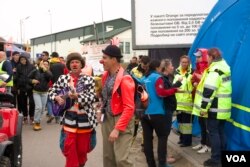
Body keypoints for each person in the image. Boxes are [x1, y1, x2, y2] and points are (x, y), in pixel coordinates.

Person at [49, 52, 97, 167]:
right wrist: (56, 97)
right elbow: (51, 91)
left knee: (82, 150)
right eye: (72, 62)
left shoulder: (89, 79)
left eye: (77, 62)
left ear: (81, 65)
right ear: (69, 65)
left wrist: (78, 97)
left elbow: (92, 97)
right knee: (69, 148)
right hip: (68, 119)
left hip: (85, 119)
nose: (74, 64)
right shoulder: (63, 78)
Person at [193, 48, 232, 167]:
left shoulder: (215, 70)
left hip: (215, 108)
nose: (206, 59)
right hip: (223, 107)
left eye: (207, 57)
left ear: (211, 57)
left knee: (213, 133)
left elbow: (209, 91)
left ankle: (215, 160)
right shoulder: (225, 67)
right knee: (220, 132)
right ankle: (221, 157)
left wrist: (203, 109)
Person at [99, 45, 135, 167]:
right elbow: (106, 97)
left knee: (121, 160)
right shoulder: (105, 76)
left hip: (122, 119)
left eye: (104, 58)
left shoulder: (126, 79)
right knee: (108, 158)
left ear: (114, 59)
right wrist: (101, 109)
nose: (102, 60)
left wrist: (117, 128)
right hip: (108, 118)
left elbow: (129, 107)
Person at [141, 59, 178, 167]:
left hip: (145, 113)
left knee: (147, 140)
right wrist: (175, 90)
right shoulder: (157, 77)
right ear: (158, 68)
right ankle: (162, 163)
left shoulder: (145, 78)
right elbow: (161, 93)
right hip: (156, 112)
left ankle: (151, 164)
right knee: (162, 137)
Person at [160, 59, 182, 164]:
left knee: (164, 135)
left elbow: (168, 90)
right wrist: (177, 85)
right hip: (166, 110)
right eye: (171, 66)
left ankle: (164, 156)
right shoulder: (163, 79)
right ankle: (164, 159)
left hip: (167, 109)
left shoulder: (165, 78)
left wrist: (176, 86)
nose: (173, 67)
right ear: (166, 67)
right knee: (164, 135)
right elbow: (165, 93)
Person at [191, 48, 211, 153]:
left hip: (206, 102)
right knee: (202, 124)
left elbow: (208, 82)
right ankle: (203, 143)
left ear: (204, 56)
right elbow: (193, 79)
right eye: (196, 56)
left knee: (207, 126)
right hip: (199, 102)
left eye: (199, 56)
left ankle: (208, 145)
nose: (197, 58)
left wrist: (198, 77)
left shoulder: (209, 68)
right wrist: (194, 81)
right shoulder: (198, 67)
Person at [174, 55, 194, 147]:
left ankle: (187, 141)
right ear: (180, 62)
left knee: (187, 124)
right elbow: (174, 85)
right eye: (183, 62)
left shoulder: (192, 73)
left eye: (186, 62)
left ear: (189, 63)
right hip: (178, 102)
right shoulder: (177, 72)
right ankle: (182, 138)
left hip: (188, 102)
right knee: (180, 122)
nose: (184, 63)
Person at [28, 60, 52, 130]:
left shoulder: (48, 72)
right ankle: (36, 122)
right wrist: (32, 81)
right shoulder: (35, 71)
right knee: (38, 107)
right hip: (36, 92)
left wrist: (44, 69)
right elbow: (28, 78)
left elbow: (50, 77)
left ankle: (38, 120)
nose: (45, 65)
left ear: (48, 66)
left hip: (44, 92)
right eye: (43, 64)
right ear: (40, 64)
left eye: (46, 64)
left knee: (42, 109)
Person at [47, 51, 68, 123]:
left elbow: (49, 75)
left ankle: (51, 114)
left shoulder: (50, 64)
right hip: (61, 85)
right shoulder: (62, 65)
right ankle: (58, 117)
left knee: (50, 101)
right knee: (59, 99)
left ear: (52, 57)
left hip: (52, 84)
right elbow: (66, 74)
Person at [16, 53, 36, 124]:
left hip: (31, 87)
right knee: (23, 102)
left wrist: (33, 84)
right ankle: (25, 116)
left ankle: (31, 116)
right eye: (21, 60)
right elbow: (17, 77)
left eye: (24, 59)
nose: (23, 61)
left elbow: (35, 76)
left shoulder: (32, 66)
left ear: (26, 59)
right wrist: (18, 87)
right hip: (22, 87)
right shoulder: (18, 67)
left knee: (32, 102)